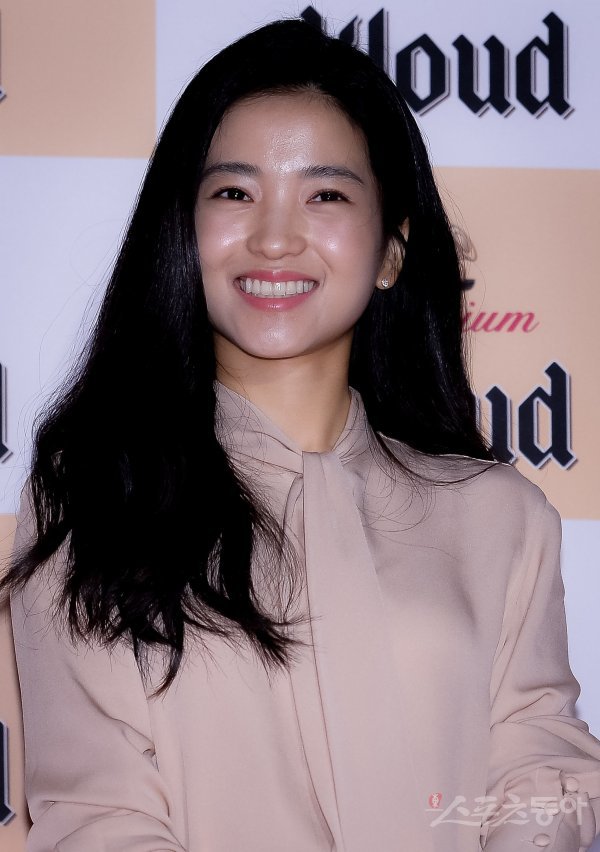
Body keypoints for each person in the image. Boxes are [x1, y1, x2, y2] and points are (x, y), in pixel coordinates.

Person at [2, 17, 600, 852]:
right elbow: (97, 817)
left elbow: (541, 771)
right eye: (234, 193)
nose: (275, 238)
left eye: (326, 195)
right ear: (183, 230)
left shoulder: (501, 516)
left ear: (390, 251)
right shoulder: (98, 494)